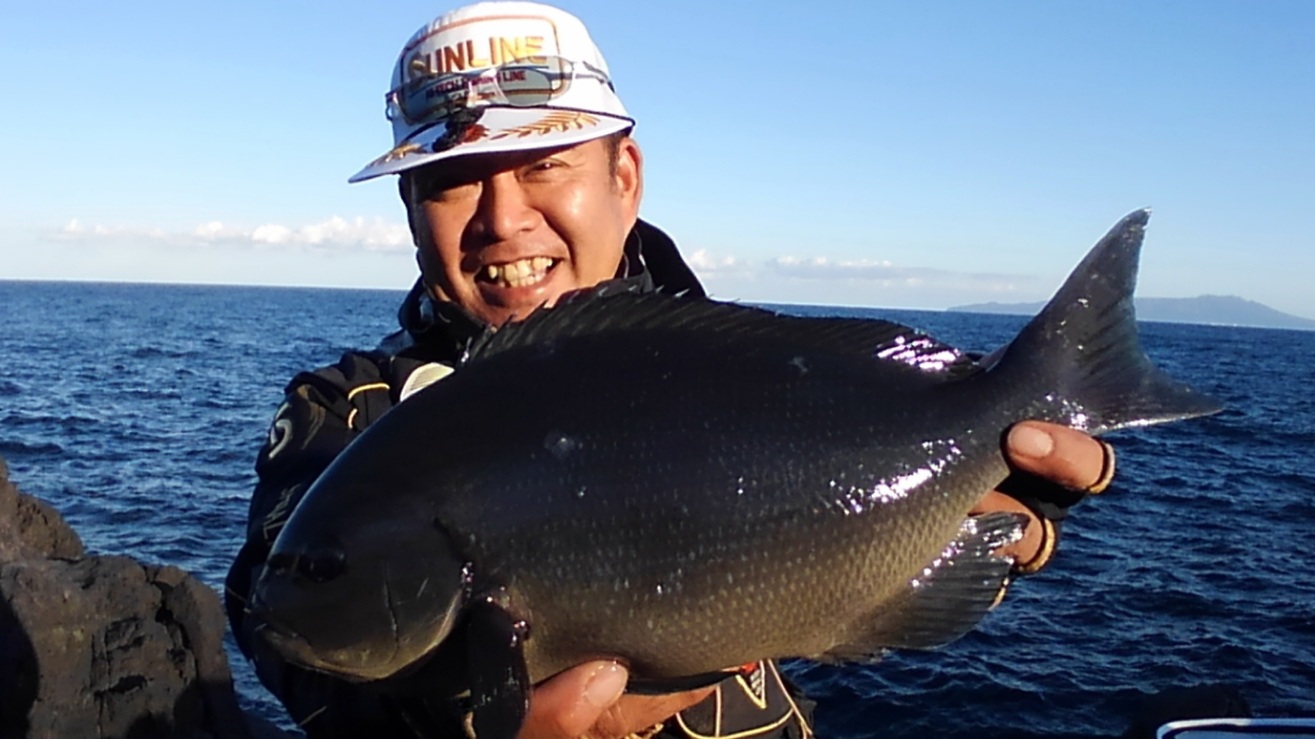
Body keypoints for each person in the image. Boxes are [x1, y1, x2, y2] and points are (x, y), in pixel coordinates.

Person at [225, 3, 1119, 737]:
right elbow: (275, 618)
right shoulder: (350, 416)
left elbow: (875, 558)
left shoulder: (743, 376)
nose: (502, 218)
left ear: (626, 176)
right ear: (411, 210)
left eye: (544, 164)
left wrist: (992, 513)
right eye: (452, 181)